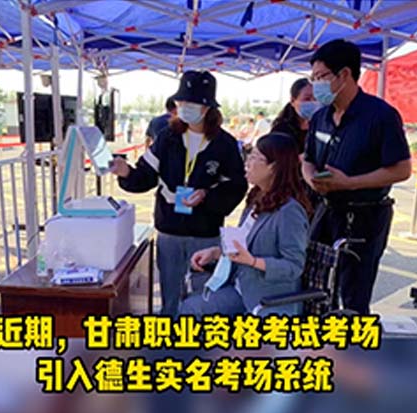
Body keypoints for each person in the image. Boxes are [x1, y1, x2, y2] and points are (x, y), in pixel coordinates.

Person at [110, 70, 248, 316]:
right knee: (170, 298)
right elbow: (145, 175)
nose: (183, 107)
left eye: (190, 103)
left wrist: (207, 196)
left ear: (207, 108)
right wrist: (126, 173)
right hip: (170, 231)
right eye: (181, 102)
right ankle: (170, 336)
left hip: (205, 233)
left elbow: (236, 187)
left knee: (202, 297)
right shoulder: (167, 138)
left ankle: (196, 339)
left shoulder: (224, 144)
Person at [302, 39, 412, 314]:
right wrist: (312, 178)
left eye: (321, 77)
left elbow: (402, 169)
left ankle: (353, 340)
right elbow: (308, 160)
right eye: (313, 78)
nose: (316, 85)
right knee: (315, 286)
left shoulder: (380, 116)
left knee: (353, 294)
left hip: (365, 216)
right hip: (326, 211)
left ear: (345, 75)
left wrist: (350, 183)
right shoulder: (321, 117)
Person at [179, 132, 310, 317]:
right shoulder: (257, 197)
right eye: (250, 155)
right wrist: (217, 252)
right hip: (242, 288)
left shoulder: (289, 212)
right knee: (190, 308)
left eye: (255, 157)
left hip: (267, 300)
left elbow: (293, 266)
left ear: (273, 167)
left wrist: (254, 262)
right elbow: (244, 244)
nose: (247, 161)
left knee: (195, 311)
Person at [271, 78, 322, 153]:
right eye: (307, 99)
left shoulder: (321, 126)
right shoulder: (281, 129)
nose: (313, 103)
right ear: (292, 100)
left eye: (316, 99)